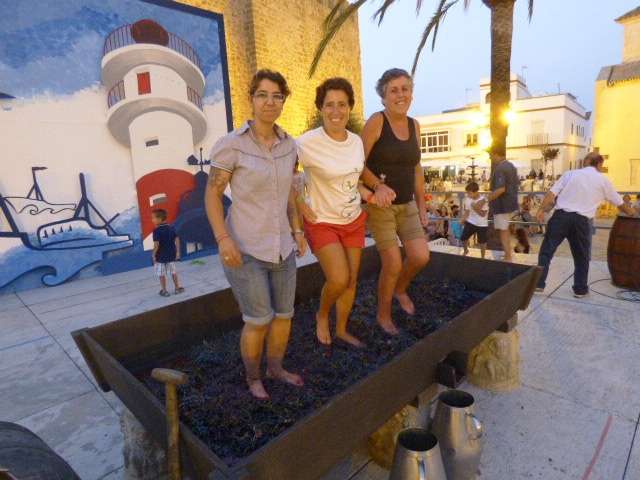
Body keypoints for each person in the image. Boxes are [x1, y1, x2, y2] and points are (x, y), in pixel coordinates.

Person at [205, 69, 307, 399]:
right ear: (251, 98)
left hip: (282, 247)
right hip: (245, 248)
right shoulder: (231, 145)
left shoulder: (289, 146)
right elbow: (212, 194)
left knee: (284, 316)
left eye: (277, 96)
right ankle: (253, 377)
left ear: (283, 101)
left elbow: (289, 193)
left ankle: (275, 368)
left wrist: (297, 230)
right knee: (259, 319)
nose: (269, 102)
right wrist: (223, 239)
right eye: (262, 95)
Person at [295, 77, 372, 348]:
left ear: (350, 107)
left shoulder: (356, 142)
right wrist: (300, 203)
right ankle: (322, 314)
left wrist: (369, 193)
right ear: (321, 108)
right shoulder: (306, 143)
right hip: (322, 221)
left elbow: (353, 179)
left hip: (353, 219)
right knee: (339, 279)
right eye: (329, 104)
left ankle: (341, 329)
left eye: (342, 104)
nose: (336, 111)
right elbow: (284, 174)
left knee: (351, 281)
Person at [360, 68, 430, 335]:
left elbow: (416, 168)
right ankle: (383, 314)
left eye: (405, 89)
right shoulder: (377, 122)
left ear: (411, 93)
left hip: (407, 204)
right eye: (394, 90)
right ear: (383, 96)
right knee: (392, 263)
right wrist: (377, 186)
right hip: (380, 206)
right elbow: (357, 164)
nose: (400, 94)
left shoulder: (415, 125)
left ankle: (400, 289)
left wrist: (422, 206)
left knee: (420, 257)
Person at [535, 152, 638, 297]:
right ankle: (580, 289)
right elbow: (620, 204)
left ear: (586, 162)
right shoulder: (603, 180)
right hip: (581, 222)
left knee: (546, 252)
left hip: (560, 217)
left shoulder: (569, 174)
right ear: (599, 164)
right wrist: (633, 213)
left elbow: (551, 195)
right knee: (581, 256)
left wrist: (540, 210)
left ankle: (538, 284)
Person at [486, 156, 519, 262]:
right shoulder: (511, 166)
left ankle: (508, 256)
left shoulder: (500, 168)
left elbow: (500, 189)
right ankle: (508, 254)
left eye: (491, 155)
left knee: (503, 231)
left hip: (502, 205)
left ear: (496, 155)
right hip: (510, 203)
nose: (491, 158)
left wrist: (485, 200)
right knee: (506, 229)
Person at [151, 208, 184, 297]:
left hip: (160, 257)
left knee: (161, 274)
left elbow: (156, 244)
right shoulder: (171, 228)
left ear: (159, 219)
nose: (152, 220)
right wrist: (178, 252)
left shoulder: (156, 231)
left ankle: (164, 291)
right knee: (173, 272)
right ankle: (177, 288)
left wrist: (153, 255)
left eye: (153, 218)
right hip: (171, 255)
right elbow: (177, 239)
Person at [460, 181, 488, 258]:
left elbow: (483, 214)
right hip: (470, 221)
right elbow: (467, 212)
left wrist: (474, 207)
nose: (468, 195)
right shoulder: (467, 199)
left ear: (476, 192)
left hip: (482, 224)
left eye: (469, 193)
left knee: (482, 242)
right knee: (463, 238)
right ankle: (466, 250)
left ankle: (483, 257)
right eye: (467, 193)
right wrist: (462, 219)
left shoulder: (483, 200)